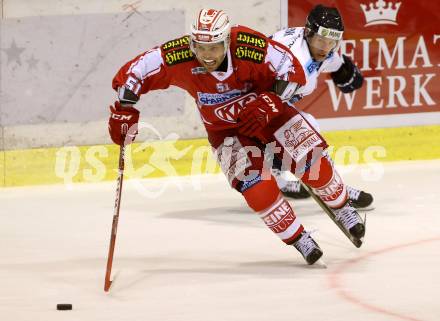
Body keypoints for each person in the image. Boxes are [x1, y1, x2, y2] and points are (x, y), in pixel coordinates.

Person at [108, 8, 365, 265]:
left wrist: (272, 99)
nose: (207, 56)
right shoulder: (179, 55)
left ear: (228, 41)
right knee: (258, 190)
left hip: (268, 113)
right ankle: (299, 238)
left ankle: (343, 207)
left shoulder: (247, 45)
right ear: (191, 43)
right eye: (200, 47)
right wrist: (124, 108)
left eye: (215, 47)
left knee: (314, 163)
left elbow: (291, 67)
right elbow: (136, 71)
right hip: (225, 131)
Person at [270, 4, 374, 210]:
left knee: (299, 128)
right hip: (249, 109)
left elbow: (335, 62)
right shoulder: (292, 60)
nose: (325, 47)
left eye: (331, 41)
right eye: (321, 41)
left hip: (269, 105)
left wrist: (346, 71)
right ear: (308, 33)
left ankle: (278, 180)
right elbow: (268, 111)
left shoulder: (315, 46)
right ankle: (333, 188)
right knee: (307, 128)